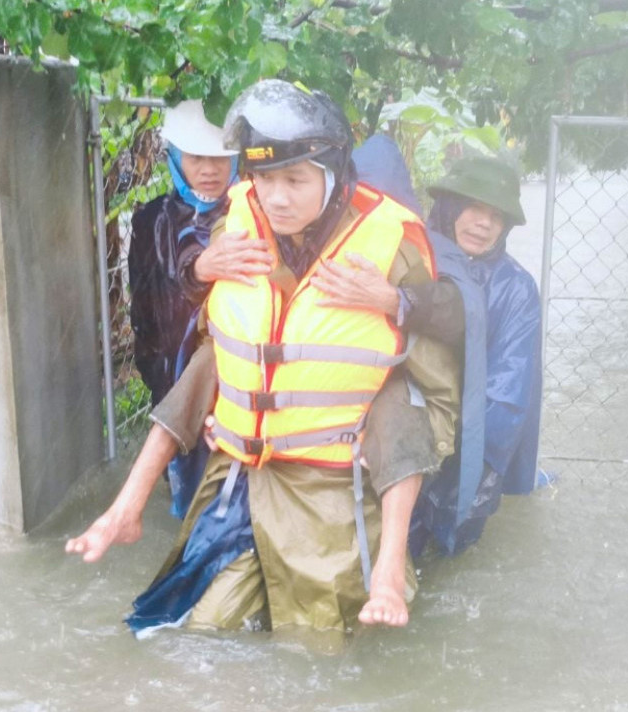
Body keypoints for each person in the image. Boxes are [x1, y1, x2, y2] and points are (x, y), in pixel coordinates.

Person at [67, 80, 459, 634]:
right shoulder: (238, 222)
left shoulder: (389, 241)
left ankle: (388, 573)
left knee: (318, 647)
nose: (276, 197)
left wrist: (396, 301)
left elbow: (437, 365)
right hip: (237, 477)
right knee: (188, 634)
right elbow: (220, 343)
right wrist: (201, 269)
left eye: (295, 180)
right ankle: (127, 511)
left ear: (332, 173)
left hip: (328, 484)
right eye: (264, 178)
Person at [331, 140, 543, 556]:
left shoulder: (515, 289)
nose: (484, 224)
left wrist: (471, 475)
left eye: (496, 216)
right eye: (475, 208)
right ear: (448, 206)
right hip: (388, 430)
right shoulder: (403, 251)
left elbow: (507, 395)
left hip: (465, 441)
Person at [128, 100, 269, 519]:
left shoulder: (254, 213)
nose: (209, 169)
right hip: (175, 372)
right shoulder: (152, 219)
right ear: (173, 158)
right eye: (196, 158)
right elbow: (149, 305)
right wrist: (198, 272)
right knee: (190, 488)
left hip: (241, 373)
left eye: (220, 158)